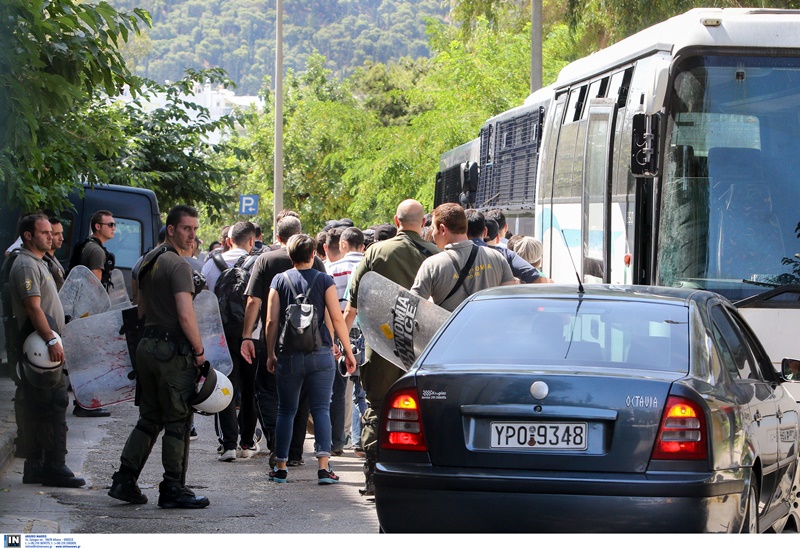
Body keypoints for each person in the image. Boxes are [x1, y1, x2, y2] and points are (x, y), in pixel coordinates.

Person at [108, 205, 209, 509]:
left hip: (146, 346)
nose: (192, 234)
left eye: (195, 228)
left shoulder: (147, 261)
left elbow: (139, 310)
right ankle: (173, 489)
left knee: (149, 418)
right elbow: (185, 313)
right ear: (171, 229)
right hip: (170, 353)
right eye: (186, 228)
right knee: (178, 419)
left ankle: (125, 480)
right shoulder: (178, 265)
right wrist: (200, 352)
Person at [343, 199, 439, 496]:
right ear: (423, 223)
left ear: (396, 221)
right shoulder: (437, 256)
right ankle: (416, 477)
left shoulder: (376, 252)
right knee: (424, 411)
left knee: (377, 408)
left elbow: (353, 306)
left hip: (382, 346)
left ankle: (373, 477)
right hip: (424, 350)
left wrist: (344, 345)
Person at [265, 233, 357, 484]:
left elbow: (272, 321)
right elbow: (336, 318)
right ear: (314, 254)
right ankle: (324, 468)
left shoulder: (279, 280)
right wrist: (347, 351)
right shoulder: (324, 279)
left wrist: (271, 353)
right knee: (320, 410)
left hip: (289, 356)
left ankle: (281, 467)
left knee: (286, 410)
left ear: (290, 255)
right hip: (320, 354)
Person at [240, 215, 328, 468]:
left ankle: (277, 443)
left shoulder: (265, 260)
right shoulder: (317, 262)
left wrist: (248, 335)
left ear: (277, 237)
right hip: (310, 342)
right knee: (302, 396)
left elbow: (254, 301)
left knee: (267, 391)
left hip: (276, 340)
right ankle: (296, 452)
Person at [8, 213, 86, 488]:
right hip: (40, 348)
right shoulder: (26, 265)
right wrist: (51, 341)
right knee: (52, 405)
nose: (50, 237)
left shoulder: (40, 262)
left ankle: (37, 466)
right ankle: (53, 466)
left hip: (45, 344)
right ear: (28, 236)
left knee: (42, 409)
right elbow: (33, 307)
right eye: (44, 233)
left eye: (50, 233)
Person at [202, 221, 259, 462]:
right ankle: (247, 441)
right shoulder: (258, 264)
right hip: (251, 335)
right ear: (252, 241)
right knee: (250, 388)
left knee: (225, 386)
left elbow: (202, 301)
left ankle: (228, 444)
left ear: (228, 240)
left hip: (220, 335)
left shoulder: (211, 265)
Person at [411, 203, 516, 312]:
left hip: (452, 328)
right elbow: (508, 299)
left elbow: (413, 305)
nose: (432, 233)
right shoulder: (496, 257)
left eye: (433, 228)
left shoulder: (432, 265)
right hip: (490, 327)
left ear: (442, 229)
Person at [69, 209, 117, 418]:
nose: (114, 228)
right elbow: (95, 287)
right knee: (89, 361)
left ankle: (84, 402)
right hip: (88, 314)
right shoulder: (97, 251)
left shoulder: (85, 245)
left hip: (79, 312)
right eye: (111, 224)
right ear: (98, 227)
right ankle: (86, 404)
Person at [325, 227, 365, 456]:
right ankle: (361, 439)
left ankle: (337, 441)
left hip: (340, 331)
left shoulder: (333, 269)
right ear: (362, 244)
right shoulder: (371, 266)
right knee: (364, 391)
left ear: (343, 244)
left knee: (338, 390)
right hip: (368, 332)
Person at [43, 217, 66, 291]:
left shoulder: (52, 258)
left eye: (61, 233)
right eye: (56, 234)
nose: (61, 238)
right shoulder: (43, 260)